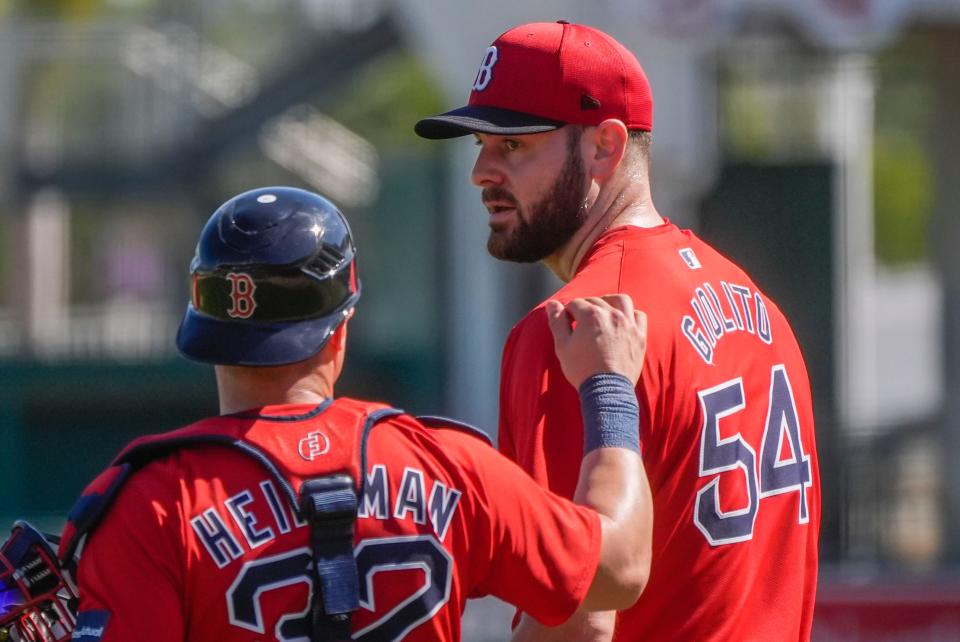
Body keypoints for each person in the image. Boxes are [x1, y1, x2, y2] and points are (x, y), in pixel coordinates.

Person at [47, 186, 653, 642]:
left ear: (201, 330)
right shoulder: (449, 465)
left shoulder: (149, 504)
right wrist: (608, 387)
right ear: (342, 326)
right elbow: (620, 567)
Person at [415, 20, 820, 642]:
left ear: (604, 145)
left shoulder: (579, 328)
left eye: (514, 145)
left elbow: (579, 616)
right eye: (479, 145)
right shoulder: (756, 305)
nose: (482, 172)